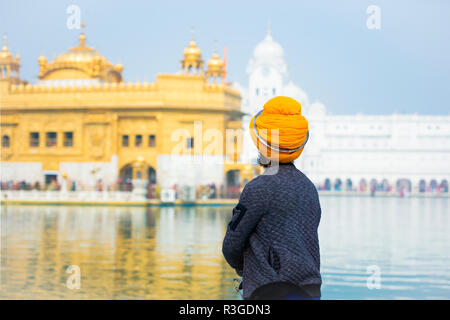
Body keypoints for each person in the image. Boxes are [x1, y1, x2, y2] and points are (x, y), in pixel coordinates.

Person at [222, 96, 322, 300]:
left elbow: (231, 245)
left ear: (263, 145)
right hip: (310, 289)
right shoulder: (309, 188)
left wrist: (248, 269)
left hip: (270, 290)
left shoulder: (259, 188)